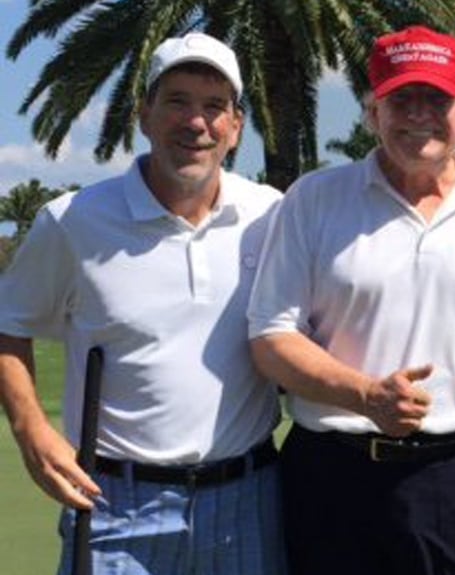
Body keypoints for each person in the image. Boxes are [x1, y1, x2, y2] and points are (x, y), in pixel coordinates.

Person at [247, 24, 455, 575]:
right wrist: (366, 395)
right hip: (332, 477)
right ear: (371, 113)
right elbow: (271, 338)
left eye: (436, 99)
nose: (418, 115)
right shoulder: (314, 199)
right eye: (401, 99)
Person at [0, 32, 287, 574]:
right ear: (144, 115)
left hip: (248, 499)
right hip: (115, 504)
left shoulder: (271, 216)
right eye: (176, 100)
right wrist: (31, 429)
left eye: (214, 106)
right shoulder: (72, 221)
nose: (195, 122)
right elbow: (8, 324)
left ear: (235, 128)